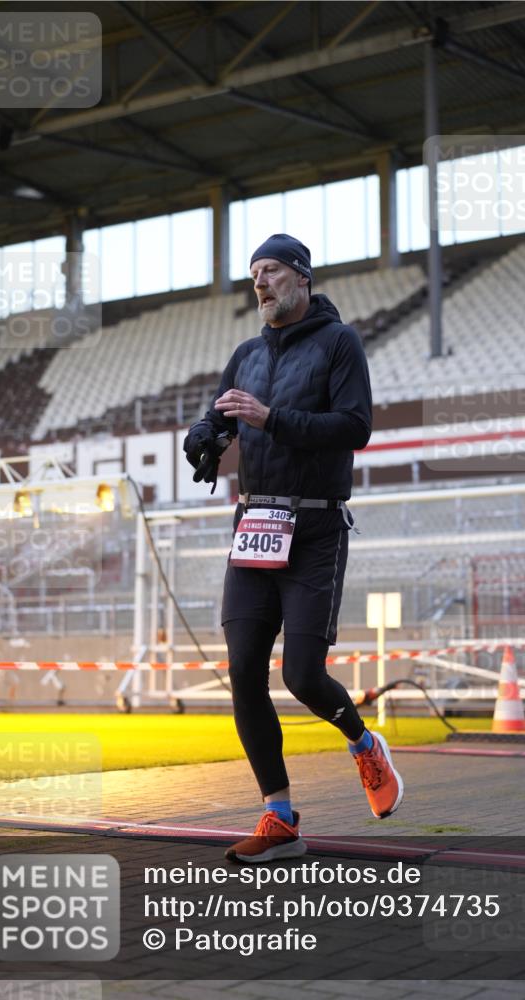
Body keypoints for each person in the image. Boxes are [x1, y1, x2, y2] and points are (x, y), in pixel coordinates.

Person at [183, 234, 403, 864]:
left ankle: (363, 744)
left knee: (302, 675)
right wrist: (202, 436)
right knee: (244, 671)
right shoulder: (246, 353)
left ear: (302, 277)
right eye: (254, 273)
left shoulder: (340, 343)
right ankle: (279, 817)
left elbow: (355, 426)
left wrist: (270, 418)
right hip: (254, 527)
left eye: (272, 271)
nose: (261, 282)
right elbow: (222, 418)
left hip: (314, 529)